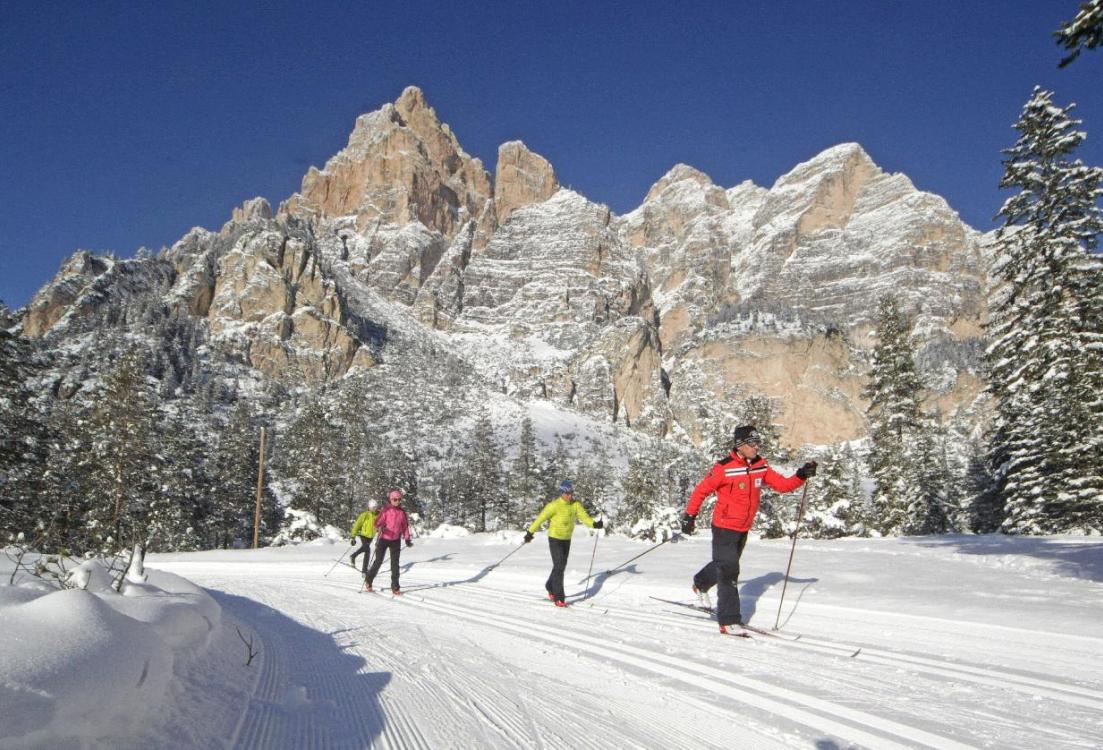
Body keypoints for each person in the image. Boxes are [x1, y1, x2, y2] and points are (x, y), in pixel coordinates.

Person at [681, 425, 817, 634]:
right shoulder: (723, 468)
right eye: (752, 443)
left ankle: (700, 583)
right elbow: (701, 490)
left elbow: (782, 485)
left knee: (724, 564)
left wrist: (801, 475)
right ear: (740, 445)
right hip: (724, 527)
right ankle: (728, 620)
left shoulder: (760, 466)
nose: (756, 447)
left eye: (757, 443)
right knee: (729, 572)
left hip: (743, 528)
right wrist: (690, 516)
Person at [523, 480, 603, 607]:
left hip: (566, 539)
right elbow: (540, 519)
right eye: (567, 493)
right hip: (555, 539)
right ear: (562, 493)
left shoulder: (575, 505)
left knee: (560, 566)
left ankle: (550, 585)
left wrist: (594, 524)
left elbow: (584, 517)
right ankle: (559, 597)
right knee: (559, 566)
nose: (570, 496)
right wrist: (530, 533)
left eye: (571, 493)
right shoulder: (554, 505)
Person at [365, 489, 413, 594]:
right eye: (395, 499)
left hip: (395, 541)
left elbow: (405, 527)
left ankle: (395, 586)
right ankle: (368, 580)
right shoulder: (385, 510)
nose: (397, 501)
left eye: (399, 499)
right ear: (390, 500)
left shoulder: (402, 513)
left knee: (395, 564)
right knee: (378, 562)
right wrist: (380, 527)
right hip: (383, 539)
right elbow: (376, 523)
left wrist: (407, 539)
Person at [349, 499, 379, 575]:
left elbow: (381, 526)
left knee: (366, 550)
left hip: (371, 536)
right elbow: (357, 525)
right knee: (367, 549)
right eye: (373, 507)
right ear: (369, 507)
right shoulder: (365, 515)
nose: (374, 509)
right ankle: (364, 570)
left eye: (375, 507)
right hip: (363, 535)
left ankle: (354, 557)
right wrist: (353, 537)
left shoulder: (378, 515)